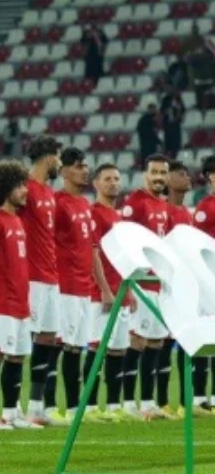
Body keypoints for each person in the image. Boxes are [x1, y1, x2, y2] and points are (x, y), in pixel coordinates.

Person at [0, 160, 39, 428]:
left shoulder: (17, 220)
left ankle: (10, 413)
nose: (26, 190)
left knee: (17, 357)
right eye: (19, 186)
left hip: (20, 302)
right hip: (0, 302)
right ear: (5, 188)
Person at [120, 154, 172, 420]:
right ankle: (129, 403)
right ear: (145, 175)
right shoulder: (135, 203)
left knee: (156, 342)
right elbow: (125, 244)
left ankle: (149, 402)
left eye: (163, 173)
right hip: (140, 282)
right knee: (137, 340)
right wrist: (128, 285)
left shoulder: (162, 205)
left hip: (157, 282)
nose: (159, 177)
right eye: (154, 172)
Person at [17, 135, 63, 426]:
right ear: (48, 158)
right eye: (58, 157)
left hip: (50, 276)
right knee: (22, 340)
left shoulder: (48, 192)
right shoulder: (25, 189)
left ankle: (36, 406)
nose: (59, 163)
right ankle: (9, 408)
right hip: (31, 276)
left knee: (48, 338)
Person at [86, 164, 136, 422]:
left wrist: (131, 290)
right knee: (98, 348)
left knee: (118, 350)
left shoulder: (117, 216)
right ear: (96, 183)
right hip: (103, 295)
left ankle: (114, 405)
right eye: (107, 179)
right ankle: (90, 406)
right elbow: (93, 254)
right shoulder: (94, 213)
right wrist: (105, 289)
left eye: (116, 178)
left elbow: (123, 257)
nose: (113, 183)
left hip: (121, 291)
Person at [51, 148, 97, 422]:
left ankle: (72, 408)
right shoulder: (58, 203)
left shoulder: (83, 205)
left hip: (83, 287)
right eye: (79, 166)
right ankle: (46, 407)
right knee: (58, 347)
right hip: (64, 286)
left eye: (85, 165)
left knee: (76, 349)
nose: (85, 170)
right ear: (64, 171)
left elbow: (91, 249)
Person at [162, 159, 193, 416]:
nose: (188, 177)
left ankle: (184, 401)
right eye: (181, 174)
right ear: (169, 181)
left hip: (184, 286)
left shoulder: (186, 213)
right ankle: (160, 401)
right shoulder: (164, 211)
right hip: (165, 285)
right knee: (162, 344)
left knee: (184, 342)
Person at [189, 155, 215, 413]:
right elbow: (194, 246)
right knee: (204, 340)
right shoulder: (205, 208)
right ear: (210, 177)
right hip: (207, 282)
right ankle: (198, 397)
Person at [161, 87, 185, 157]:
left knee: (176, 142)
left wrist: (179, 114)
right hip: (168, 124)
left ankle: (176, 155)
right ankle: (168, 154)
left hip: (176, 124)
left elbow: (183, 109)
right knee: (168, 142)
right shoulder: (166, 99)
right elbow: (162, 110)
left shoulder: (178, 99)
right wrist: (167, 111)